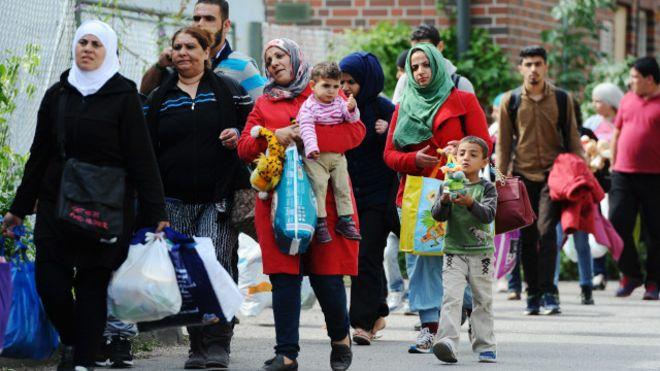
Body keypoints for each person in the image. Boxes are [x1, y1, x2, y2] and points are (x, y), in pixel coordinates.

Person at [1, 20, 168, 370]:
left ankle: (83, 360)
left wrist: (156, 211)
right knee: (51, 285)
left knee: (92, 285)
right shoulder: (58, 95)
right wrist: (18, 208)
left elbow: (142, 157)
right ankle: (77, 340)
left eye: (96, 44)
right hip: (56, 203)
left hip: (106, 206)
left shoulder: (123, 96)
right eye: (83, 42)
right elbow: (39, 153)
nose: (88, 49)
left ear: (108, 51)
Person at [237, 38, 365, 371]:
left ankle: (340, 339)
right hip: (282, 203)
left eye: (280, 55)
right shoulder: (264, 103)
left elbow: (356, 134)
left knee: (327, 277)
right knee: (284, 277)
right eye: (269, 59)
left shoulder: (322, 91)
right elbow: (243, 147)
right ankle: (287, 354)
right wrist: (272, 135)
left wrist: (306, 138)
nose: (275, 62)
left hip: (326, 203)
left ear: (295, 59)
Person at [143, 26, 253, 369]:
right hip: (174, 200)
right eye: (177, 47)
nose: (183, 52)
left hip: (217, 196)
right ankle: (197, 345)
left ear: (207, 52)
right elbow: (145, 147)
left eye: (191, 46)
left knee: (218, 262)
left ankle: (218, 342)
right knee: (186, 272)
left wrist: (238, 134)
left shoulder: (229, 91)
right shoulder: (161, 96)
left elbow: (254, 129)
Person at [383, 43, 491, 354]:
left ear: (438, 65)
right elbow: (389, 154)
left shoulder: (463, 100)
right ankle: (430, 327)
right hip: (416, 195)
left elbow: (485, 145)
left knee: (460, 261)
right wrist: (413, 160)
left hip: (459, 193)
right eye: (414, 67)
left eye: (425, 65)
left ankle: (466, 305)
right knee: (421, 262)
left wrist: (463, 149)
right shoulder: (403, 106)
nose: (420, 72)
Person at [497, 46, 583, 316]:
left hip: (552, 176)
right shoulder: (510, 101)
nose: (533, 69)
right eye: (528, 64)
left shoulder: (561, 99)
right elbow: (504, 144)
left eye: (538, 64)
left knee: (547, 234)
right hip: (521, 177)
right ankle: (532, 293)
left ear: (546, 67)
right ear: (520, 68)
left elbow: (572, 138)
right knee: (527, 236)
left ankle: (549, 292)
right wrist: (500, 178)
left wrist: (580, 174)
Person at [338, 52, 397, 345]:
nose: (346, 87)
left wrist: (389, 133)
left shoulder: (385, 108)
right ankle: (378, 311)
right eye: (343, 81)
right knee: (365, 257)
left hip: (379, 197)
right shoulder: (338, 108)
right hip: (349, 195)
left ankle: (361, 324)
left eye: (353, 81)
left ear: (368, 81)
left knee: (365, 256)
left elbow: (406, 143)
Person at [431, 136, 497, 364]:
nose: (466, 158)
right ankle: (447, 341)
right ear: (455, 158)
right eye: (462, 153)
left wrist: (470, 203)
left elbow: (488, 215)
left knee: (482, 300)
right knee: (451, 298)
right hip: (453, 251)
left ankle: (485, 345)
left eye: (473, 154)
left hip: (482, 253)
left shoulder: (487, 187)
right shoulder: (447, 183)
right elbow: (437, 215)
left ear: (484, 162)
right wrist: (445, 200)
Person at [608, 56, 660, 300]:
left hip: (655, 178)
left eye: (635, 77)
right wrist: (613, 163)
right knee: (616, 222)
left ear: (650, 79)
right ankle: (631, 274)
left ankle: (654, 282)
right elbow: (617, 132)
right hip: (623, 174)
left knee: (655, 232)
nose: (631, 82)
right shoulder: (628, 100)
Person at [139, 0, 265, 100]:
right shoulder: (180, 59)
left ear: (226, 25)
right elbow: (144, 95)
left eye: (209, 19)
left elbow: (261, 113)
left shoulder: (243, 66)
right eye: (196, 18)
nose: (200, 24)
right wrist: (160, 66)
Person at [298, 62, 361, 243]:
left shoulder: (339, 102)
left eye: (336, 86)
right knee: (318, 186)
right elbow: (307, 128)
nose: (332, 91)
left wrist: (351, 108)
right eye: (326, 86)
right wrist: (311, 148)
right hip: (315, 156)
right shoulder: (308, 107)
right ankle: (320, 221)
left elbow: (351, 120)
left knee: (342, 186)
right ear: (313, 86)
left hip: (337, 156)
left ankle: (346, 219)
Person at [584, 82, 624, 290]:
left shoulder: (622, 122)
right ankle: (598, 272)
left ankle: (624, 270)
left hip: (619, 181)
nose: (595, 105)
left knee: (617, 224)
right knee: (596, 226)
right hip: (596, 183)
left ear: (610, 102)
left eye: (599, 101)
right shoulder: (591, 123)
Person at [391, 23, 474, 104]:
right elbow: (395, 115)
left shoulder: (460, 84)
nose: (420, 55)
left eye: (427, 49)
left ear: (440, 46)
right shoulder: (405, 81)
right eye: (415, 50)